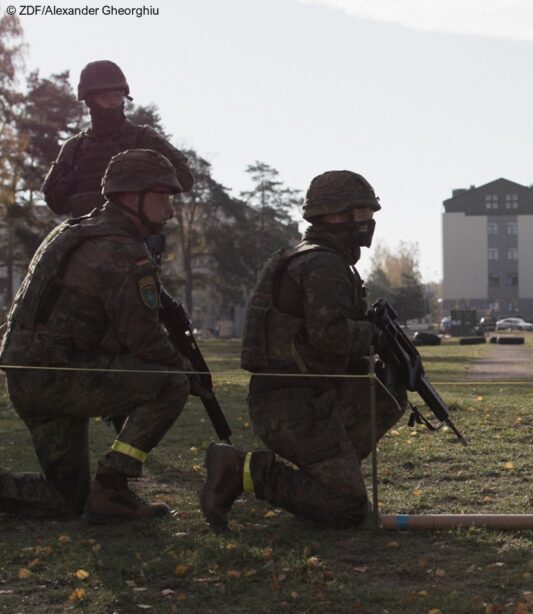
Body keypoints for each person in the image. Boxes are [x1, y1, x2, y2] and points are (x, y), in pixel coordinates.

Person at [200, 170, 407, 532]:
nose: (368, 223)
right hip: (295, 405)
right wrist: (376, 336)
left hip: (302, 396)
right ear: (335, 216)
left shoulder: (304, 255)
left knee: (387, 396)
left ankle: (330, 473)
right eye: (360, 214)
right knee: (348, 508)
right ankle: (242, 470)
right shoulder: (322, 263)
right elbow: (330, 335)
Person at [0, 149, 200, 521]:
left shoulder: (75, 229)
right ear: (131, 195)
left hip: (31, 375)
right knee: (171, 383)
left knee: (66, 500)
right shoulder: (121, 249)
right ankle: (112, 487)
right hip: (58, 377)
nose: (170, 210)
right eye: (162, 197)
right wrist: (186, 366)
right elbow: (144, 341)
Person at [41, 60, 193, 218]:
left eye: (117, 96)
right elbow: (55, 202)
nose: (113, 102)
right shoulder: (75, 147)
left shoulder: (143, 138)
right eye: (105, 97)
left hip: (136, 236)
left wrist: (142, 180)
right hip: (87, 234)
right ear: (90, 101)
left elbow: (185, 178)